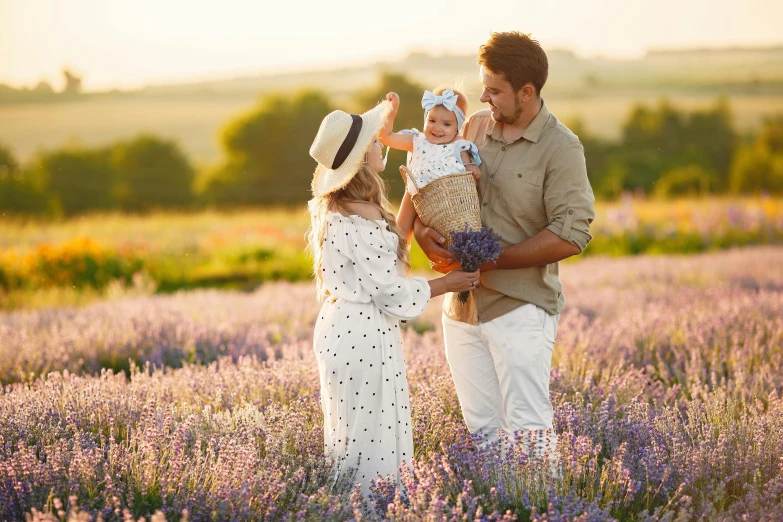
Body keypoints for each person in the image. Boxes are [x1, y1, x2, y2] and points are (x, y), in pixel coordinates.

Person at [414, 32, 596, 458]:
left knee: (528, 433)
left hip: (520, 307)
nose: (483, 97)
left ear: (526, 92)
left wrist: (491, 260)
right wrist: (425, 237)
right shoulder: (473, 126)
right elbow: (431, 188)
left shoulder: (562, 148)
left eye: (494, 90)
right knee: (483, 435)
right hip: (461, 309)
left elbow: (572, 234)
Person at [306, 99, 480, 494]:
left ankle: (352, 510)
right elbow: (388, 290)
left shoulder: (339, 206)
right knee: (374, 441)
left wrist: (416, 190)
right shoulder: (358, 213)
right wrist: (447, 284)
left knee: (352, 436)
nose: (380, 142)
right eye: (373, 139)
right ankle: (375, 510)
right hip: (363, 331)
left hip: (343, 328)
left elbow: (392, 244)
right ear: (360, 158)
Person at [378, 87, 482, 237]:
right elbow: (385, 137)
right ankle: (398, 255)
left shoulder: (459, 145)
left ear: (458, 126)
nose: (437, 128)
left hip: (447, 197)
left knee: (453, 234)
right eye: (432, 120)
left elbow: (466, 171)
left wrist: (472, 168)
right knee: (399, 233)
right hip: (418, 193)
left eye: (447, 124)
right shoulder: (417, 140)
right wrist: (391, 112)